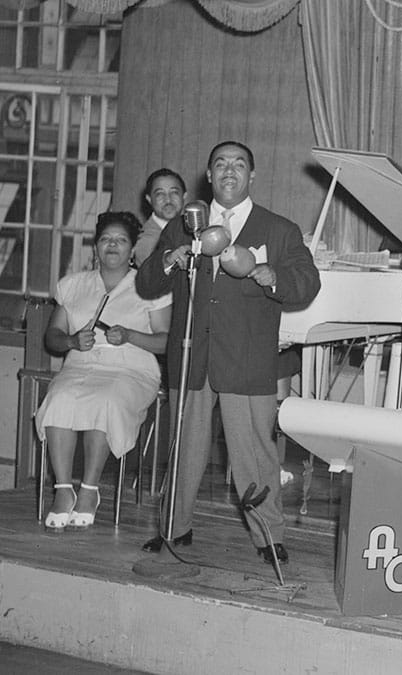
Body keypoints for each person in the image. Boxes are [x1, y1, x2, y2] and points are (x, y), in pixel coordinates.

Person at [136, 141, 321, 565]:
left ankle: (268, 536)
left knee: (256, 453)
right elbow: (147, 285)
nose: (229, 171)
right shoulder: (184, 225)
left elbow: (307, 282)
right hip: (191, 356)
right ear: (209, 174)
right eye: (220, 164)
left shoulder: (278, 229)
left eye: (239, 165)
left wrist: (274, 275)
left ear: (252, 176)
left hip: (247, 359)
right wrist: (169, 259)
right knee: (183, 448)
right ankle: (173, 529)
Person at [37, 212, 171, 530]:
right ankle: (63, 489)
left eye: (121, 240)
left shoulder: (150, 287)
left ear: (132, 248)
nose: (113, 245)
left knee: (105, 399)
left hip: (132, 368)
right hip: (81, 364)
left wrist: (130, 336)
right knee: (60, 397)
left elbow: (166, 342)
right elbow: (52, 338)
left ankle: (89, 490)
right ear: (96, 246)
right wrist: (72, 339)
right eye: (106, 239)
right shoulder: (73, 285)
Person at [134, 168, 187, 268]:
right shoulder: (144, 241)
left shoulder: (193, 229)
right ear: (149, 199)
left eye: (174, 192)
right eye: (160, 194)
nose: (168, 199)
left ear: (184, 196)